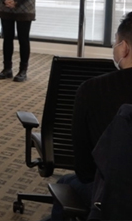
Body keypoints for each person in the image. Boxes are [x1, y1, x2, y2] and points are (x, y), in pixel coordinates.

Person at [50, 12, 132, 220]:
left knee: (66, 184)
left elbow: (84, 169)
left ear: (124, 47)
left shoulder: (93, 89)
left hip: (113, 196)